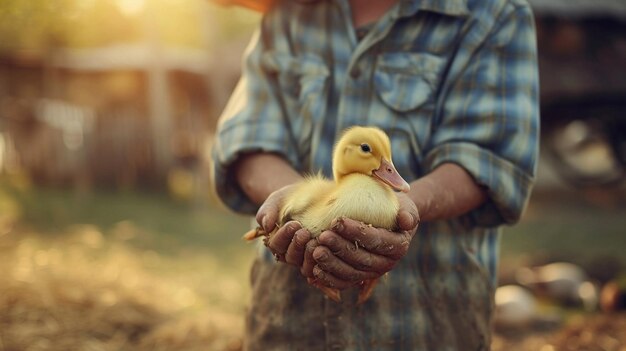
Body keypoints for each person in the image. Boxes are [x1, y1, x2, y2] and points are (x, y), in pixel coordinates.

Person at [211, 0, 539, 349]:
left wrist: (410, 205)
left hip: (424, 325)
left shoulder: (494, 14)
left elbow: (487, 159)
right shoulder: (286, 12)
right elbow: (248, 139)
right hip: (287, 327)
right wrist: (288, 203)